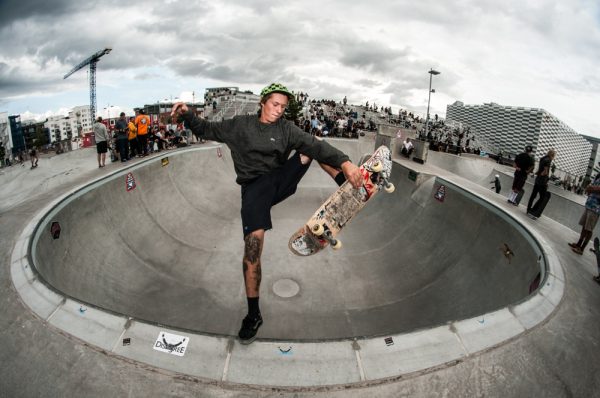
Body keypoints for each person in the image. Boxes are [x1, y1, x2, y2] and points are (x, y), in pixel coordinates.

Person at [171, 83, 362, 344]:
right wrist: (185, 114)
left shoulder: (286, 129)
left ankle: (343, 182)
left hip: (280, 180)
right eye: (275, 104)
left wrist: (346, 162)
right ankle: (253, 314)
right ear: (263, 102)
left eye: (283, 107)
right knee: (252, 248)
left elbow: (315, 146)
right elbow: (206, 129)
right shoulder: (240, 125)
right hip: (253, 190)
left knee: (312, 145)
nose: (279, 110)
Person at [569, 168, 600, 255]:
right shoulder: (598, 175)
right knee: (584, 226)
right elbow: (589, 187)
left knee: (589, 229)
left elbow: (594, 188)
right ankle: (578, 244)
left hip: (596, 207)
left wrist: (592, 188)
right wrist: (591, 188)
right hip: (589, 204)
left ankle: (582, 249)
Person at [527, 149, 556, 217]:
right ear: (552, 155)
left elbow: (539, 170)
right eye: (554, 156)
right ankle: (534, 211)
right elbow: (545, 172)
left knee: (533, 195)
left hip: (537, 180)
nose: (554, 158)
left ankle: (528, 209)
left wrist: (535, 174)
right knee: (542, 197)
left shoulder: (543, 159)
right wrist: (545, 180)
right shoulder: (548, 160)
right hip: (542, 181)